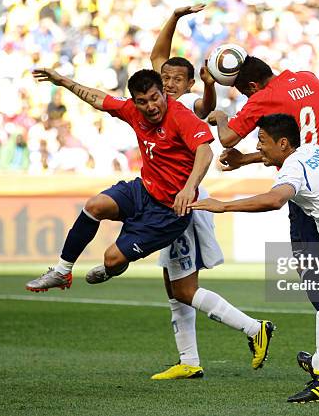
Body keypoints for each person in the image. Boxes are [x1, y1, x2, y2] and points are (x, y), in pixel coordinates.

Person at [25, 67, 274, 372]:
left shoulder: (183, 113)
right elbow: (99, 99)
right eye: (143, 101)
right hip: (143, 191)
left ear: (168, 92)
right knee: (96, 205)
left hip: (172, 211)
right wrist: (64, 81)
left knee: (144, 272)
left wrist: (188, 187)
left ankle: (247, 331)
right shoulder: (135, 111)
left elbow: (205, 152)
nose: (151, 106)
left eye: (156, 97)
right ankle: (63, 270)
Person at [191, 114, 319, 403]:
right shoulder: (314, 149)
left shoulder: (292, 170)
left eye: (262, 141)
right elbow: (277, 160)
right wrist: (247, 160)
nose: (259, 147)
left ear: (283, 143)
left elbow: (275, 199)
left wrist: (223, 206)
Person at [208, 55, 319, 368]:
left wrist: (222, 116)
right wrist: (249, 160)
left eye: (246, 94)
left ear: (252, 85)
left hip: (305, 184)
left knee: (311, 269)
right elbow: (299, 141)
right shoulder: (307, 78)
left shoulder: (263, 98)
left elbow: (229, 138)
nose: (249, 100)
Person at [147, 4, 231, 380]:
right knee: (170, 280)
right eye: (165, 79)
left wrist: (210, 85)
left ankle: (253, 328)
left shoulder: (185, 106)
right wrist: (176, 17)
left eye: (177, 80)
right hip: (164, 196)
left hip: (184, 196)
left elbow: (206, 107)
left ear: (188, 84)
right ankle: (188, 361)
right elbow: (157, 56)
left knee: (183, 283)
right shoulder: (156, 100)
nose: (168, 84)